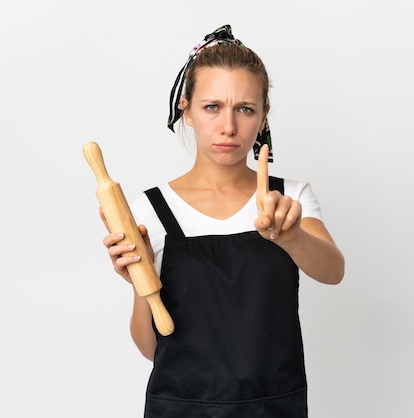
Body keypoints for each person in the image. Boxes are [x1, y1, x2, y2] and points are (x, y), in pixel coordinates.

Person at [100, 24, 344, 418]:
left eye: (245, 109)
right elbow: (153, 349)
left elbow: (334, 271)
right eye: (212, 107)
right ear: (187, 109)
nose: (228, 127)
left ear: (264, 115)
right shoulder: (147, 210)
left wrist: (291, 236)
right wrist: (138, 282)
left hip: (274, 407)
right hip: (179, 409)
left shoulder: (288, 198)